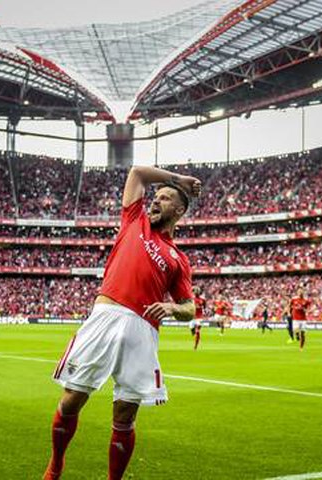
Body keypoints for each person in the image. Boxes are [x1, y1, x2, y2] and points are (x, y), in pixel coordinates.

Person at [44, 165, 201, 480]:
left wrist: (172, 309)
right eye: (156, 196)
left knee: (125, 414)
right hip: (105, 318)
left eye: (166, 198)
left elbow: (190, 307)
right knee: (72, 399)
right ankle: (55, 465)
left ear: (180, 211)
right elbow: (137, 173)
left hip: (142, 331)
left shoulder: (178, 259)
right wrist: (177, 179)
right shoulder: (134, 221)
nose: (156, 201)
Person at [190, 286, 206, 350]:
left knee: (197, 331)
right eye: (195, 291)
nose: (197, 292)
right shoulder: (191, 299)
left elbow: (205, 307)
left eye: (198, 291)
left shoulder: (203, 300)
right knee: (192, 331)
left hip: (199, 317)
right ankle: (196, 337)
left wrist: (204, 311)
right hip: (192, 317)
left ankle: (195, 347)